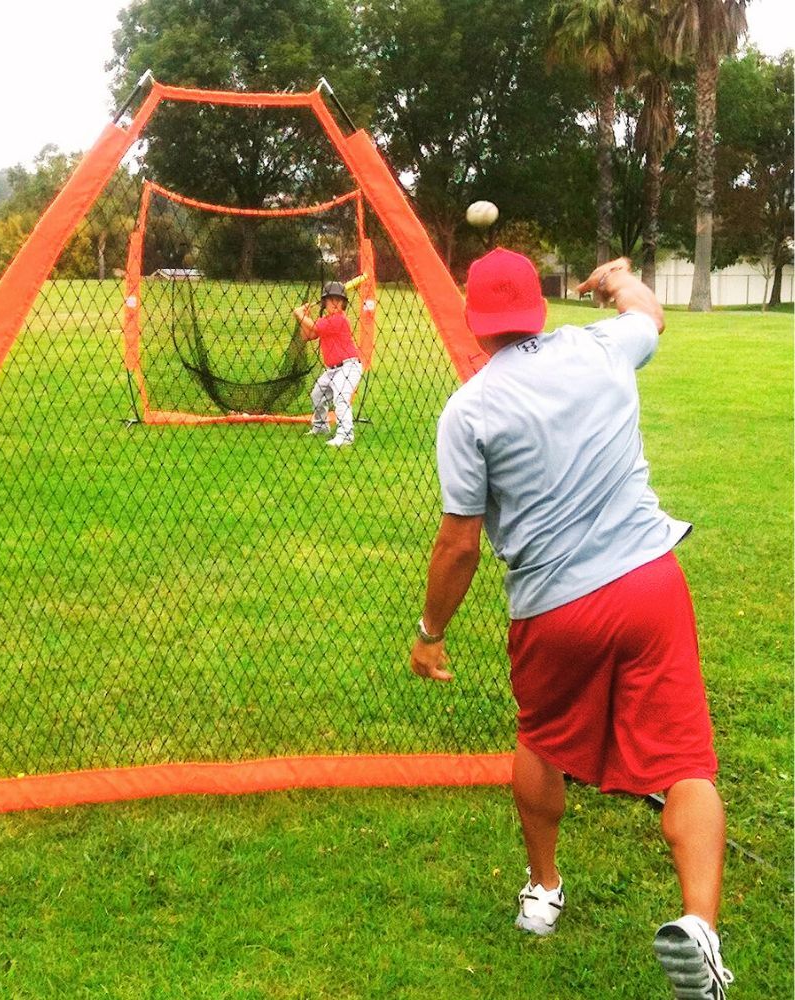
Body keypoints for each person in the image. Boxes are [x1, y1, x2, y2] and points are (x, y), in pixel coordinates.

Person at [409, 247, 731, 999]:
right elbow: (649, 315)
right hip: (650, 581)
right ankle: (700, 926)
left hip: (557, 606)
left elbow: (459, 544)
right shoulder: (599, 346)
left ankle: (544, 890)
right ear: (539, 306)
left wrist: (430, 632)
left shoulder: (469, 409)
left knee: (541, 740)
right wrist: (618, 280)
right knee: (685, 761)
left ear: (475, 320)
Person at [293, 280, 363, 447]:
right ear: (324, 302)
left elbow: (315, 329)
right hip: (332, 370)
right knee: (317, 395)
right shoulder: (325, 320)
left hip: (348, 367)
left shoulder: (339, 320)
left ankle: (346, 435)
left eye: (338, 300)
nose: (335, 303)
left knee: (341, 397)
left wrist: (300, 315)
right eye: (331, 299)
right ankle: (320, 427)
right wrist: (303, 318)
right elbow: (308, 335)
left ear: (343, 304)